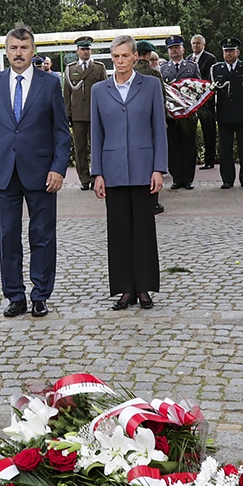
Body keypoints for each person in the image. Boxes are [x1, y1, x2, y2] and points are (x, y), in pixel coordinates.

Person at [0, 23, 71, 319]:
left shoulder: (50, 83)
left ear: (33, 51)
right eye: (14, 48)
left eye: (24, 48)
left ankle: (40, 294)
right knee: (8, 236)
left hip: (42, 172)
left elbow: (61, 132)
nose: (19, 53)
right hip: (3, 171)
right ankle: (15, 295)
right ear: (6, 52)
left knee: (42, 235)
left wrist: (58, 168)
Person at [90, 35, 167, 311]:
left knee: (144, 230)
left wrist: (159, 168)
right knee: (119, 231)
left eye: (125, 56)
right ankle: (124, 289)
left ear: (135, 57)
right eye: (115, 56)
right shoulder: (100, 90)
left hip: (144, 168)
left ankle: (144, 287)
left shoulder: (151, 86)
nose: (120, 61)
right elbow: (96, 134)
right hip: (112, 171)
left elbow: (159, 128)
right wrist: (97, 173)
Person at [211, 37, 243, 189]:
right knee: (225, 150)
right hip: (224, 115)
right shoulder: (216, 69)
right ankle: (227, 179)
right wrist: (210, 113)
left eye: (231, 51)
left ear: (238, 52)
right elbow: (209, 92)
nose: (228, 54)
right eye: (226, 51)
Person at [64, 36, 107, 190]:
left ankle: (97, 175)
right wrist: (67, 114)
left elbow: (105, 91)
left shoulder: (99, 68)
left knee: (96, 146)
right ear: (77, 51)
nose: (85, 52)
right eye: (82, 49)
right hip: (77, 116)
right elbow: (67, 93)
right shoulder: (70, 69)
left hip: (95, 113)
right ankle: (84, 178)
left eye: (87, 49)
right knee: (80, 148)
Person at [160, 35, 200, 190]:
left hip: (188, 114)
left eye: (176, 47)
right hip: (171, 116)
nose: (174, 51)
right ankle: (177, 178)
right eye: (171, 48)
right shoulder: (163, 69)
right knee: (173, 146)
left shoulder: (192, 67)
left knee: (189, 146)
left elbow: (199, 88)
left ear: (183, 49)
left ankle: (188, 179)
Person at [135, 40, 167, 215]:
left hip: (134, 123)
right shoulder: (154, 74)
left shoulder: (131, 72)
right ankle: (154, 201)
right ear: (148, 55)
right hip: (151, 123)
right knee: (152, 162)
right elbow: (161, 100)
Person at [187, 34, 218, 169]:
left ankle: (210, 160)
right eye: (193, 43)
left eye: (198, 43)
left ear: (203, 45)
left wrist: (200, 90)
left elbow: (209, 78)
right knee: (189, 131)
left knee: (208, 131)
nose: (195, 46)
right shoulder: (188, 59)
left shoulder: (210, 58)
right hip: (190, 102)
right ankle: (191, 159)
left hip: (205, 100)